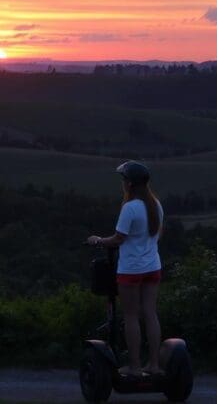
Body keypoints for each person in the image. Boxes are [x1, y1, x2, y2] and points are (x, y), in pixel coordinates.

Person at [87, 160, 164, 377]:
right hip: (153, 267)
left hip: (131, 270)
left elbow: (118, 239)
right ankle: (155, 365)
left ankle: (135, 367)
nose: (122, 183)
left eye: (123, 180)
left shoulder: (130, 208)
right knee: (150, 313)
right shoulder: (156, 205)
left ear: (129, 183)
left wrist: (98, 240)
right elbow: (158, 234)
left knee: (130, 316)